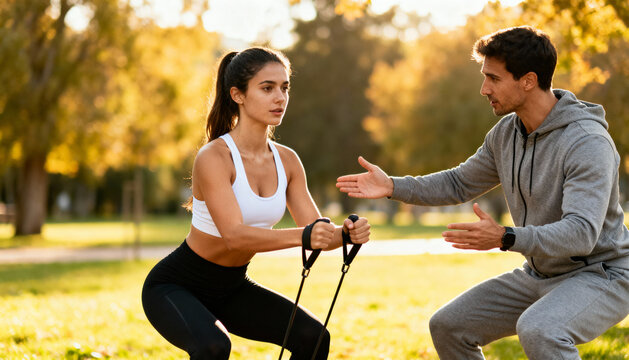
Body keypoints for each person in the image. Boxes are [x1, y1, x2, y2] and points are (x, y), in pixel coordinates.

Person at [336, 26, 629, 359]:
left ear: (529, 80)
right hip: (539, 273)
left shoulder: (586, 142)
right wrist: (394, 186)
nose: (483, 89)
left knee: (541, 329)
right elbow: (460, 182)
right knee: (449, 325)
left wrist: (506, 236)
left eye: (494, 78)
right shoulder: (507, 132)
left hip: (601, 274)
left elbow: (581, 234)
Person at [142, 47, 371, 360]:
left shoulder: (288, 161)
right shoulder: (215, 157)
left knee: (313, 338)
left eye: (284, 88)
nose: (280, 98)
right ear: (237, 94)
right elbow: (234, 235)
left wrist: (345, 234)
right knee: (213, 347)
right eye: (267, 88)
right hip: (176, 286)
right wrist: (303, 235)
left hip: (233, 287)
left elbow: (318, 232)